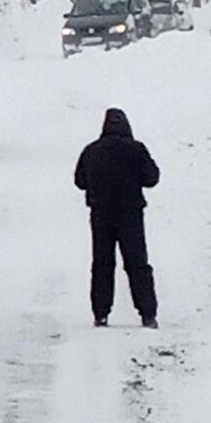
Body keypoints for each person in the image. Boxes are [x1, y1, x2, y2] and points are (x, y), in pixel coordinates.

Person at [74, 108, 160, 328]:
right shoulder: (136, 149)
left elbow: (80, 181)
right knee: (137, 264)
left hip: (101, 215)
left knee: (102, 263)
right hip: (131, 215)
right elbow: (152, 178)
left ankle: (100, 314)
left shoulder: (91, 151)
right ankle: (147, 314)